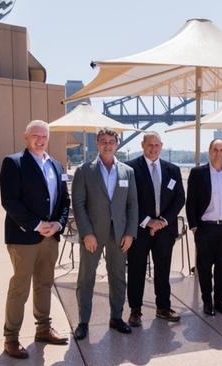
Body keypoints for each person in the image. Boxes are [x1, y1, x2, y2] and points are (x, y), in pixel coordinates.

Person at [0, 120, 70, 359]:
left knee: (44, 284)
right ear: (25, 137)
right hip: (23, 237)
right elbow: (10, 201)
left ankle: (43, 329)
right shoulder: (14, 163)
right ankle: (11, 338)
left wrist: (59, 224)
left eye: (44, 136)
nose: (40, 140)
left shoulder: (58, 166)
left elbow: (64, 201)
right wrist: (38, 225)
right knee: (20, 288)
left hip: (51, 237)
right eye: (35, 136)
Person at [71, 128, 138, 340]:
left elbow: (132, 205)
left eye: (111, 141)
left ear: (117, 144)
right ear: (97, 144)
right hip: (93, 233)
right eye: (103, 141)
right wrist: (86, 233)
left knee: (118, 277)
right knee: (86, 277)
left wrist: (130, 233)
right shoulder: (84, 171)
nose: (107, 145)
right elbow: (78, 204)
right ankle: (83, 321)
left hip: (119, 234)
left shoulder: (128, 171)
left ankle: (116, 317)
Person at [126, 131, 185, 325]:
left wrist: (163, 222)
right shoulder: (130, 168)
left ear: (162, 146)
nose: (153, 148)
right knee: (136, 270)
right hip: (140, 229)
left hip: (165, 231)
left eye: (157, 145)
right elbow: (128, 200)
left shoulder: (173, 170)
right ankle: (135, 310)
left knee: (163, 270)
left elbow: (179, 199)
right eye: (149, 145)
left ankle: (163, 307)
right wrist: (148, 221)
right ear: (143, 145)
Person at [186, 138, 222, 316]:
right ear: (209, 151)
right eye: (215, 150)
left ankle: (219, 301)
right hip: (205, 229)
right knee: (204, 267)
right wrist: (194, 227)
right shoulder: (198, 173)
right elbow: (191, 202)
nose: (218, 153)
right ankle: (207, 302)